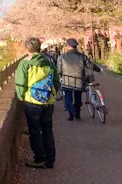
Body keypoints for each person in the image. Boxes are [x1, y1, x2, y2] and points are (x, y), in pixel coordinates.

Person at [15, 37, 60, 169]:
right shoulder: (49, 62)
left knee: (35, 130)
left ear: (27, 48)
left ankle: (39, 158)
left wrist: (21, 97)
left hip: (32, 102)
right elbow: (56, 81)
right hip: (48, 102)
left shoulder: (25, 63)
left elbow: (21, 84)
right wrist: (51, 94)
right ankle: (50, 159)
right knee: (47, 130)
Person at [58, 38, 102, 121]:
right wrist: (98, 69)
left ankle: (71, 114)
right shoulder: (82, 56)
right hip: (79, 80)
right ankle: (77, 114)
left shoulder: (62, 57)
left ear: (67, 46)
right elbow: (90, 65)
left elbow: (59, 70)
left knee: (68, 98)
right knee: (78, 98)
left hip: (67, 80)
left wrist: (61, 77)